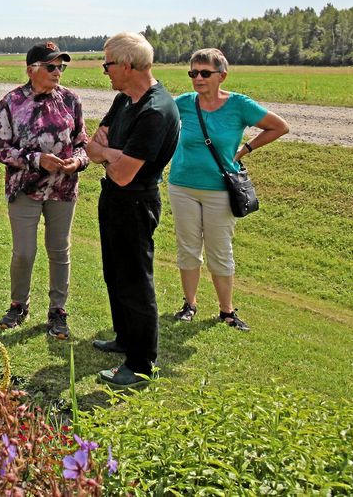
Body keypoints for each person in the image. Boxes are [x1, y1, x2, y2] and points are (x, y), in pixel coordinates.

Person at [168, 48, 289, 331]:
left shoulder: (239, 105)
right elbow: (156, 121)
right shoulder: (184, 103)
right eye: (193, 73)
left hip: (220, 190)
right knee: (187, 249)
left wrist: (244, 150)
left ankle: (227, 311)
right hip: (182, 186)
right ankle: (190, 304)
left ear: (222, 75)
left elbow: (279, 127)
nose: (198, 78)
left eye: (204, 73)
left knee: (219, 250)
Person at [86, 32, 180, 387]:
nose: (104, 71)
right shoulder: (125, 99)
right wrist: (110, 155)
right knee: (114, 272)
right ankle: (125, 338)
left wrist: (108, 155)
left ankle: (140, 364)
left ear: (126, 65)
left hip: (135, 201)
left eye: (107, 64)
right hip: (113, 198)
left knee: (135, 281)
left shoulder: (155, 111)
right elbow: (94, 144)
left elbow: (124, 174)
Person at [0, 42, 89, 340]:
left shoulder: (71, 101)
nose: (58, 72)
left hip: (63, 189)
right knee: (24, 252)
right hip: (24, 189)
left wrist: (78, 161)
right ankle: (19, 304)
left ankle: (58, 311)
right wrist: (36, 160)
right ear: (31, 70)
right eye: (51, 66)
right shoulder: (12, 102)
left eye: (61, 66)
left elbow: (82, 143)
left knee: (59, 251)